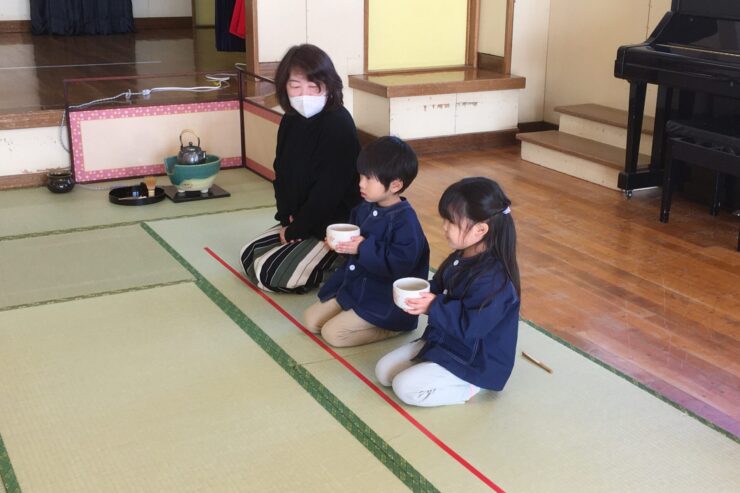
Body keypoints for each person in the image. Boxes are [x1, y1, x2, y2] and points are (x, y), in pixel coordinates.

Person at [375, 177, 520, 407]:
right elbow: (438, 285)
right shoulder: (461, 256)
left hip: (474, 361)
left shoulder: (494, 279)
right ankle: (433, 365)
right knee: (384, 372)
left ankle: (470, 387)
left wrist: (433, 305)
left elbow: (472, 328)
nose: (444, 226)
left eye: (451, 221)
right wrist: (418, 294)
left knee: (405, 388)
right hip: (444, 341)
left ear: (480, 229)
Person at [240, 44, 361, 293]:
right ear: (284, 87)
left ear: (328, 86)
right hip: (303, 220)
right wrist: (287, 218)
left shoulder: (338, 125)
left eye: (313, 86)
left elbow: (328, 193)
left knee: (269, 273)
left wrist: (298, 228)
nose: (304, 94)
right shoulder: (290, 119)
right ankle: (305, 254)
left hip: (333, 224)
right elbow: (281, 173)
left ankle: (341, 263)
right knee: (249, 255)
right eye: (295, 86)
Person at [303, 136, 430, 347]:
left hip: (383, 298)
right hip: (356, 286)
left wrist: (362, 247)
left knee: (334, 334)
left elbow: (401, 264)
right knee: (311, 320)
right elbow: (354, 251)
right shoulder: (365, 207)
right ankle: (354, 315)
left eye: (369, 179)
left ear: (396, 184)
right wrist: (340, 246)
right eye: (361, 176)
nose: (361, 184)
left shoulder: (406, 221)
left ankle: (393, 327)